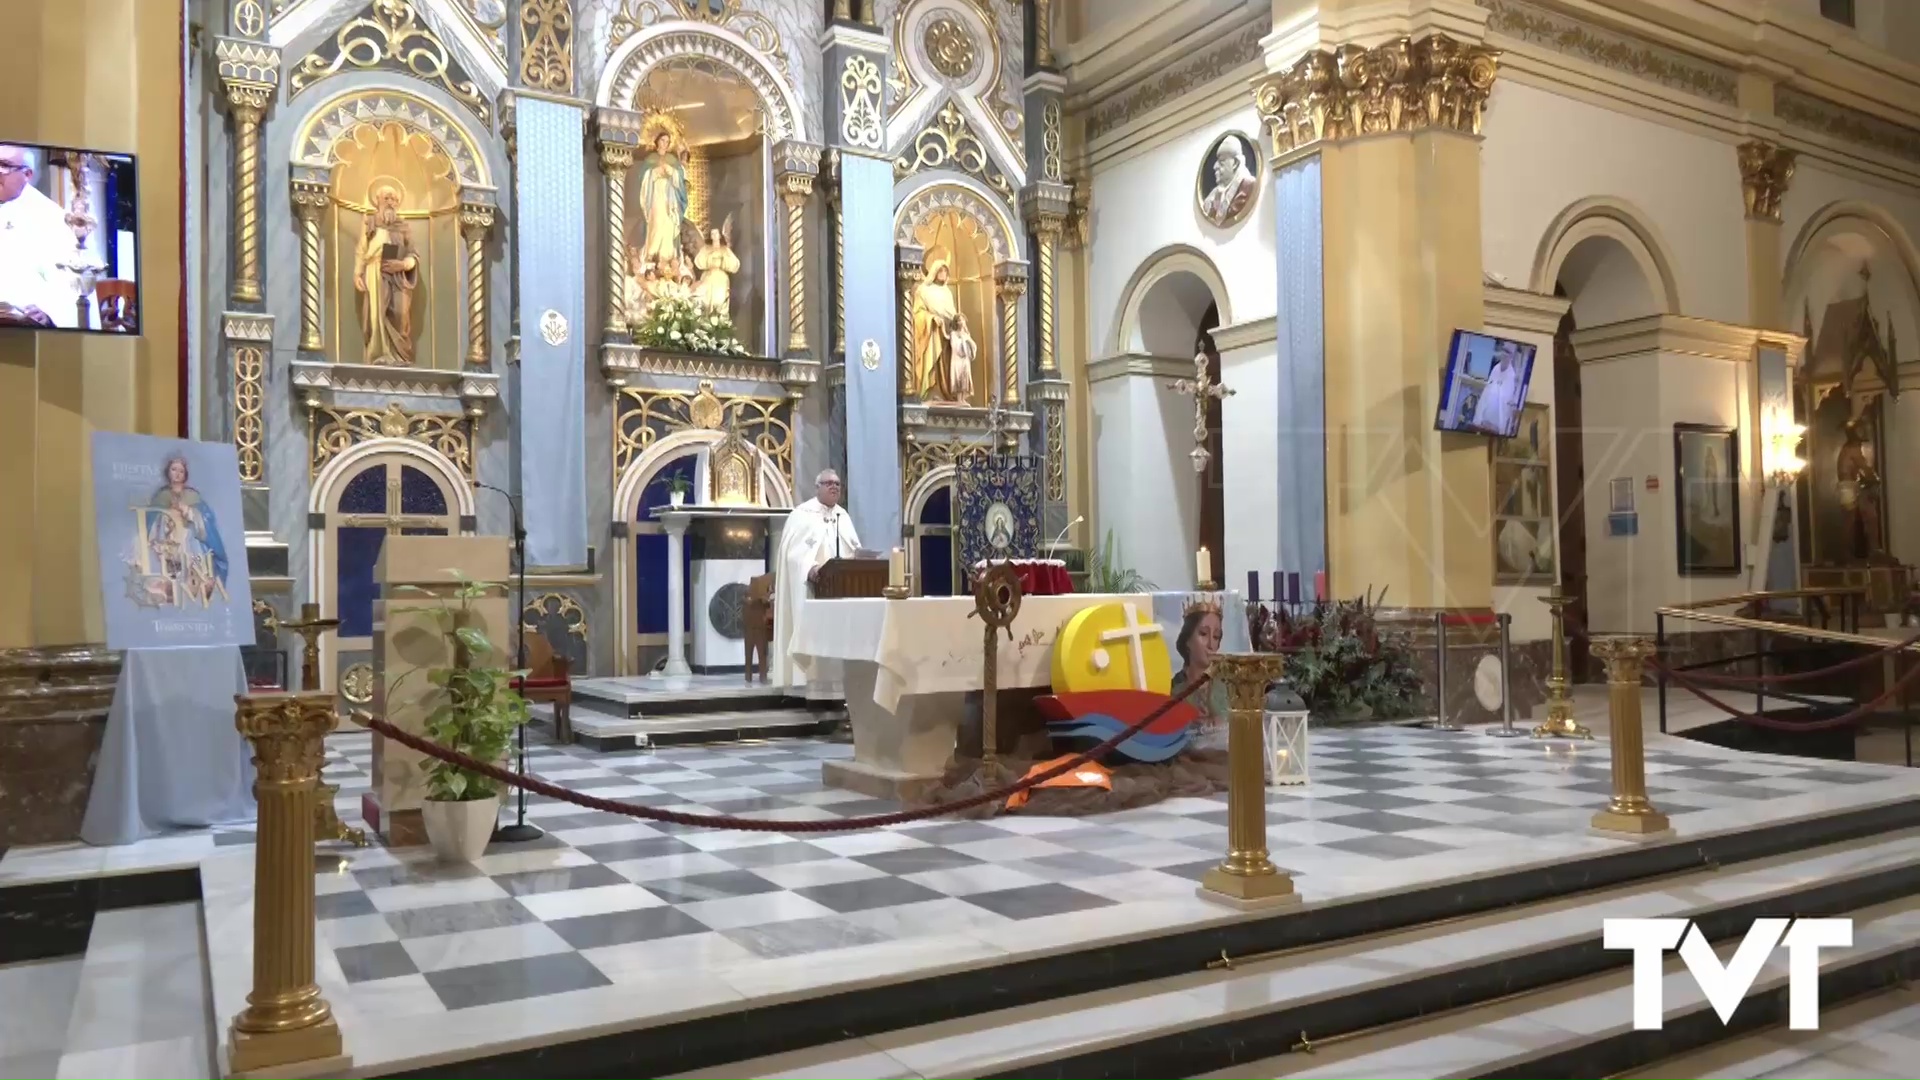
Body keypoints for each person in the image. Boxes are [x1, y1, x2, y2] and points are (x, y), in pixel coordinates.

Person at [769, 469, 863, 691]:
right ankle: (808, 678)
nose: (834, 487)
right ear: (817, 487)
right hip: (814, 588)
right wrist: (809, 567)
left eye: (838, 484)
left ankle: (840, 680)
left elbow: (854, 549)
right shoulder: (802, 514)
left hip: (840, 589)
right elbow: (791, 554)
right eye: (829, 483)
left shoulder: (843, 516)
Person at [0, 144, 79, 329]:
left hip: (22, 332)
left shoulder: (49, 217)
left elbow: (70, 282)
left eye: (3, 166)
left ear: (27, 175)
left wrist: (48, 312)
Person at [143, 454, 230, 606]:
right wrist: (166, 515)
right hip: (166, 537)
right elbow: (150, 520)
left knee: (194, 557)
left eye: (181, 471)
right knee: (168, 561)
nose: (177, 473)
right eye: (173, 469)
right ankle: (170, 587)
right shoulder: (161, 496)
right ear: (168, 472)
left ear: (185, 475)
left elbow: (206, 518)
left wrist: (190, 512)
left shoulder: (193, 496)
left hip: (189, 537)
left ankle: (195, 584)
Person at [353, 184, 419, 365]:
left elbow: (413, 255)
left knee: (400, 314)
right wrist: (358, 273)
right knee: (376, 317)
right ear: (377, 201)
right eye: (386, 198)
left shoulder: (404, 227)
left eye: (394, 199)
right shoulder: (370, 222)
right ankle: (379, 355)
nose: (390, 202)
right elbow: (361, 249)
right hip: (375, 273)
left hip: (398, 277)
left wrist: (403, 264)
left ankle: (400, 357)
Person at [1171, 602, 1230, 741]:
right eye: (1203, 634)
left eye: (1216, 636)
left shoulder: (1228, 687)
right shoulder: (1174, 689)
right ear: (1187, 640)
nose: (1211, 644)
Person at [910, 258, 962, 402]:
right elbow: (917, 314)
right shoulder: (923, 290)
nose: (943, 273)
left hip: (948, 336)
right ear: (934, 271)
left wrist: (958, 323)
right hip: (932, 334)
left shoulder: (947, 293)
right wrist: (931, 319)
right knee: (933, 363)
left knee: (947, 366)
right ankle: (932, 390)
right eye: (940, 270)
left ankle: (946, 392)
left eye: (946, 270)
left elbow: (952, 314)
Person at [637, 133, 688, 273]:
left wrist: (672, 171)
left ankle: (667, 257)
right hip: (655, 195)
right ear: (657, 141)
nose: (665, 143)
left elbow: (681, 179)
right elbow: (643, 179)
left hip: (670, 197)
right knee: (657, 222)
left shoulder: (672, 159)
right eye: (662, 140)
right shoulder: (650, 159)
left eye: (667, 141)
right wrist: (653, 172)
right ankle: (652, 256)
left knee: (669, 224)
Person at [1470, 340, 1525, 435]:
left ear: (1512, 356)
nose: (1504, 354)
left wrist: (1500, 429)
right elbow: (1486, 394)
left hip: (1496, 428)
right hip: (1484, 423)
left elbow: (1505, 406)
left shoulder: (1512, 377)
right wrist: (1478, 420)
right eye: (1504, 350)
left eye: (1508, 352)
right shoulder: (1495, 369)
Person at [1199, 137, 1257, 226]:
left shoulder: (1248, 185)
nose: (1215, 166)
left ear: (1235, 163)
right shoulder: (1215, 193)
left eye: (1221, 161)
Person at [692, 222, 738, 316]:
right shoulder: (706, 249)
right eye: (712, 234)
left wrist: (722, 258)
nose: (714, 236)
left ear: (720, 235)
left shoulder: (725, 249)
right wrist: (710, 258)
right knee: (707, 301)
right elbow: (699, 262)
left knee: (720, 300)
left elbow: (734, 264)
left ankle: (719, 322)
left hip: (720, 278)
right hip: (708, 277)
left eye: (716, 233)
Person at [947, 312, 977, 404]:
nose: (961, 322)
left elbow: (973, 345)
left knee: (965, 377)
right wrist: (962, 341)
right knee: (958, 377)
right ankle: (959, 399)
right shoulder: (954, 334)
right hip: (957, 359)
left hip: (965, 359)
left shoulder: (966, 334)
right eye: (959, 320)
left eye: (962, 320)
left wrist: (967, 341)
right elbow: (954, 346)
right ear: (956, 323)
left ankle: (963, 398)